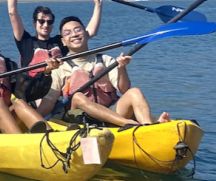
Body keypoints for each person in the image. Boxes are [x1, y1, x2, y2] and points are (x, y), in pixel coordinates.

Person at [38, 16, 170, 126]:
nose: (74, 34)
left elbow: (124, 89)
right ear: (63, 41)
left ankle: (147, 127)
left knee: (135, 92)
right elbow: (48, 103)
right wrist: (33, 116)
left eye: (78, 30)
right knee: (77, 97)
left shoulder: (105, 60)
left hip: (112, 112)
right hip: (82, 120)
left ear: (86, 33)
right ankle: (130, 124)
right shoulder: (60, 67)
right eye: (67, 33)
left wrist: (122, 68)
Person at [7, 0, 103, 74]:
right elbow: (12, 13)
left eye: (49, 22)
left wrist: (98, 5)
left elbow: (91, 32)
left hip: (56, 87)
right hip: (34, 87)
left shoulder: (60, 41)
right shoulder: (26, 41)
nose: (45, 25)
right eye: (41, 21)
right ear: (34, 23)